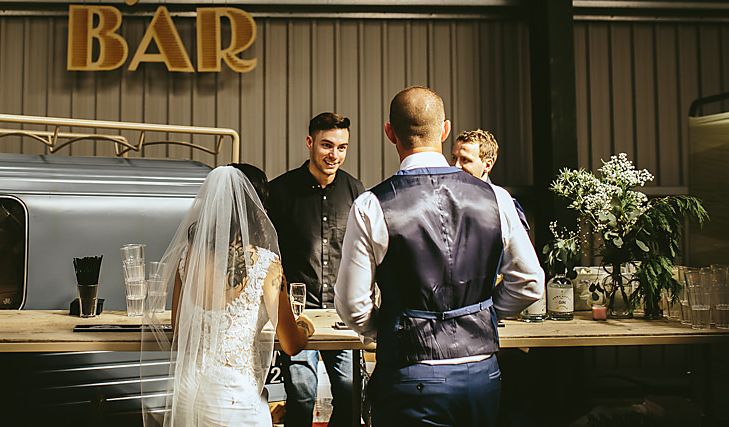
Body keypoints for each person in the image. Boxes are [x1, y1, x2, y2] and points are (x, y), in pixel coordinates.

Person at [335, 87, 544, 427]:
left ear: (390, 133)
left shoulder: (371, 205)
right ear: (445, 130)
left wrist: (389, 329)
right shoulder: (497, 198)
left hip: (410, 372)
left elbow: (351, 303)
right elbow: (530, 283)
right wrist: (484, 313)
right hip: (480, 372)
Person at [142, 164, 314, 427]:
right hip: (232, 397)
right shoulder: (266, 265)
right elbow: (290, 344)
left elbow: (179, 327)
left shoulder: (187, 258)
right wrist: (304, 328)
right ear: (256, 209)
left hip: (189, 390)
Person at [267, 112, 364, 427]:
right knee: (303, 394)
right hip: (298, 316)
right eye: (326, 145)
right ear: (310, 143)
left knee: (350, 395)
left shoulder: (356, 191)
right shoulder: (279, 192)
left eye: (342, 147)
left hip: (341, 315)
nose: (334, 155)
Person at [452, 128, 530, 231]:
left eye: (465, 160)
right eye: (454, 158)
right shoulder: (446, 198)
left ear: (488, 165)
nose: (456, 166)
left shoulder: (503, 205)